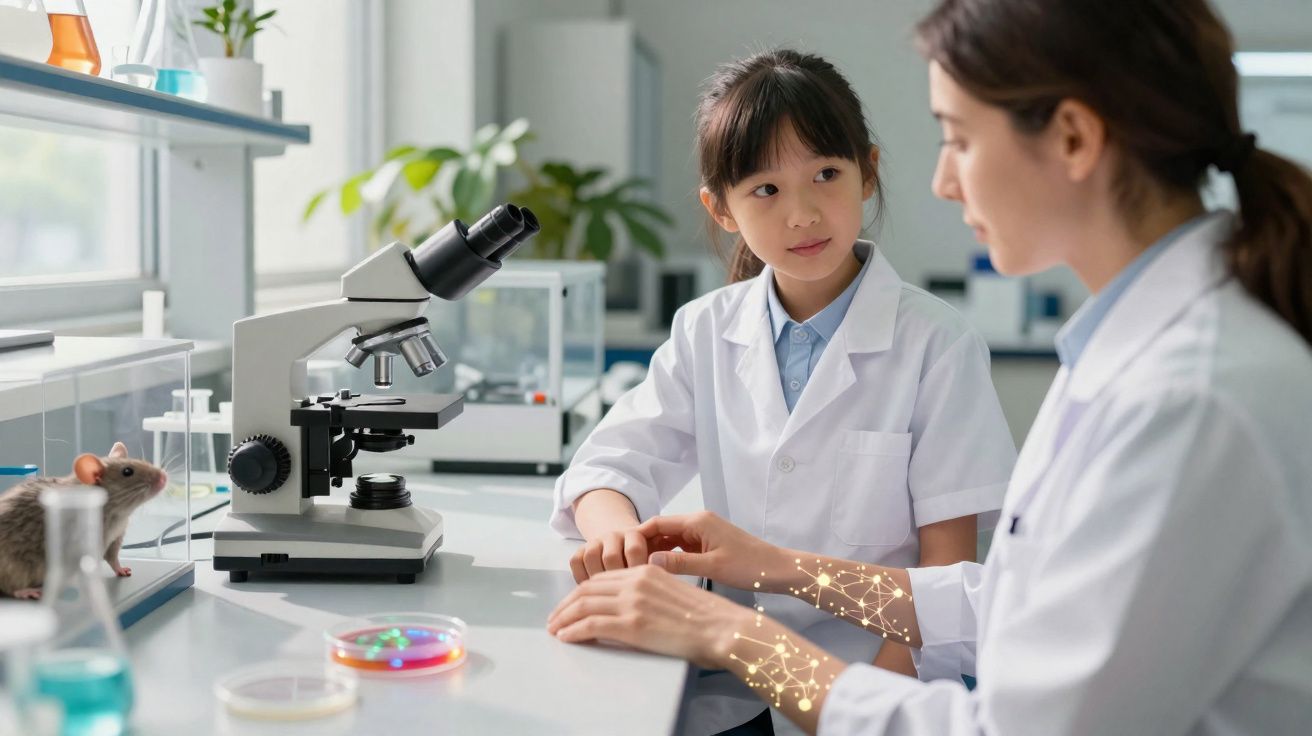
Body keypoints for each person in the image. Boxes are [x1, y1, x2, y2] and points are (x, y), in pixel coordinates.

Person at [546, 1, 1312, 733]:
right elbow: (998, 604)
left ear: (1074, 139)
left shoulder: (1188, 399)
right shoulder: (1126, 357)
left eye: (959, 138)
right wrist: (774, 567)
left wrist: (733, 638)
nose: (944, 182)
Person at [549, 49, 1016, 733]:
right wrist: (617, 537)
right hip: (727, 685)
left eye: (826, 174)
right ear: (722, 208)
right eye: (765, 190)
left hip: (870, 682)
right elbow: (604, 469)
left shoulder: (937, 344)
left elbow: (947, 576)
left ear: (868, 173)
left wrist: (868, 704)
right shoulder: (705, 331)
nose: (802, 214)